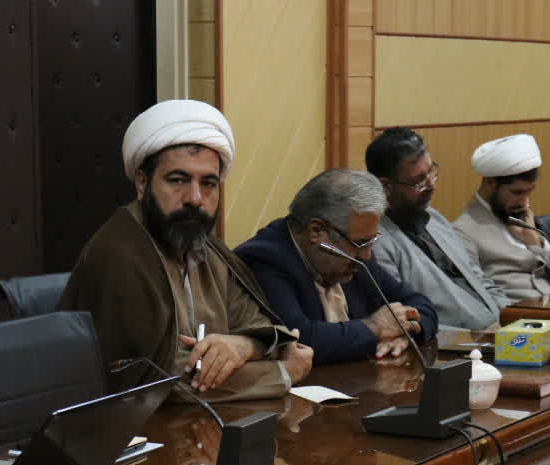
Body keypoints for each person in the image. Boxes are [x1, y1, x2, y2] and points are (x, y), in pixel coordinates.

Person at [58, 99, 312, 399]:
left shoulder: (207, 248)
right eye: (178, 180)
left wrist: (244, 345)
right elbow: (157, 383)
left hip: (213, 420)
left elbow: (259, 327)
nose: (195, 198)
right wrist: (283, 372)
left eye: (208, 184)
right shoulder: (119, 257)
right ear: (142, 183)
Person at [234, 169, 437, 365]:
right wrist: (374, 328)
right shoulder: (265, 259)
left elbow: (420, 304)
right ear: (316, 231)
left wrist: (405, 332)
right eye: (361, 242)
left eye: (371, 240)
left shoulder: (357, 254)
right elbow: (296, 339)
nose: (367, 255)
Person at [366, 128, 510, 330]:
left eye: (431, 173)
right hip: (456, 345)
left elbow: (479, 279)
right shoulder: (377, 243)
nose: (432, 186)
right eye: (419, 182)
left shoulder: (434, 218)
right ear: (385, 186)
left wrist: (515, 317)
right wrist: (479, 337)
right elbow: (403, 320)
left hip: (499, 333)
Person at [452, 133, 550, 302]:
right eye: (517, 192)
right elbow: (475, 298)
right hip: (521, 313)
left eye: (529, 192)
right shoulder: (463, 231)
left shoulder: (521, 218)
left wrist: (536, 243)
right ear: (489, 183)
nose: (524, 201)